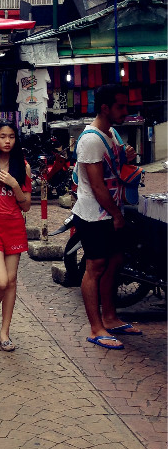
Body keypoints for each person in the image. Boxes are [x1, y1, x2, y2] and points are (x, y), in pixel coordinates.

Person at [72, 84, 141, 349]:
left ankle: (110, 318)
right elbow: (97, 186)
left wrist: (127, 155)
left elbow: (116, 168)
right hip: (94, 215)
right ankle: (96, 328)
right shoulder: (91, 140)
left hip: (110, 213)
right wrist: (116, 215)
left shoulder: (111, 134)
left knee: (114, 263)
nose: (125, 111)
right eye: (120, 106)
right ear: (105, 108)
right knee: (95, 267)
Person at [0, 121, 32, 352]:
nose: (7, 141)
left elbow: (26, 206)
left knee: (11, 281)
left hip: (14, 227)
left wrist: (14, 185)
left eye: (11, 136)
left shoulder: (23, 166)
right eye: (2, 136)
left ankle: (5, 332)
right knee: (1, 280)